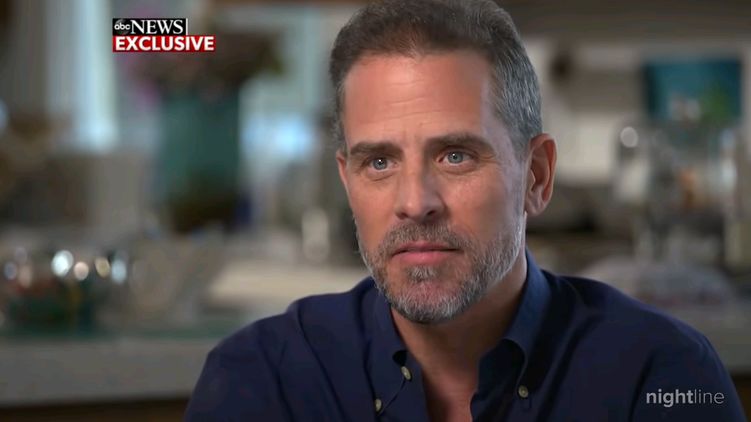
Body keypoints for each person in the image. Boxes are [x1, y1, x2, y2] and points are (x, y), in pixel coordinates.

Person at [185, 1, 745, 420]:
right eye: (378, 162)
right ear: (347, 181)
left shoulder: (659, 377)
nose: (414, 203)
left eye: (455, 156)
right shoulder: (265, 383)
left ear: (536, 176)